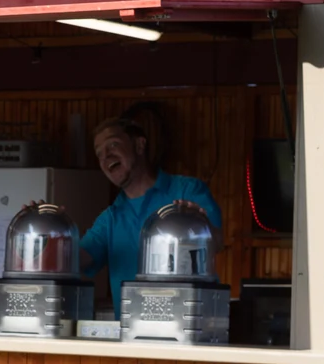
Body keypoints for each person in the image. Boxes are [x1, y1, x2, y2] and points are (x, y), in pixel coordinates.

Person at [80, 117, 222, 300]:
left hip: (188, 322)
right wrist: (45, 231)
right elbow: (74, 260)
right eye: (99, 153)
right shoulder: (110, 219)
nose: (105, 156)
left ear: (140, 145)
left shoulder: (188, 190)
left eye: (113, 145)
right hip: (134, 327)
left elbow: (217, 242)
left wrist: (202, 226)